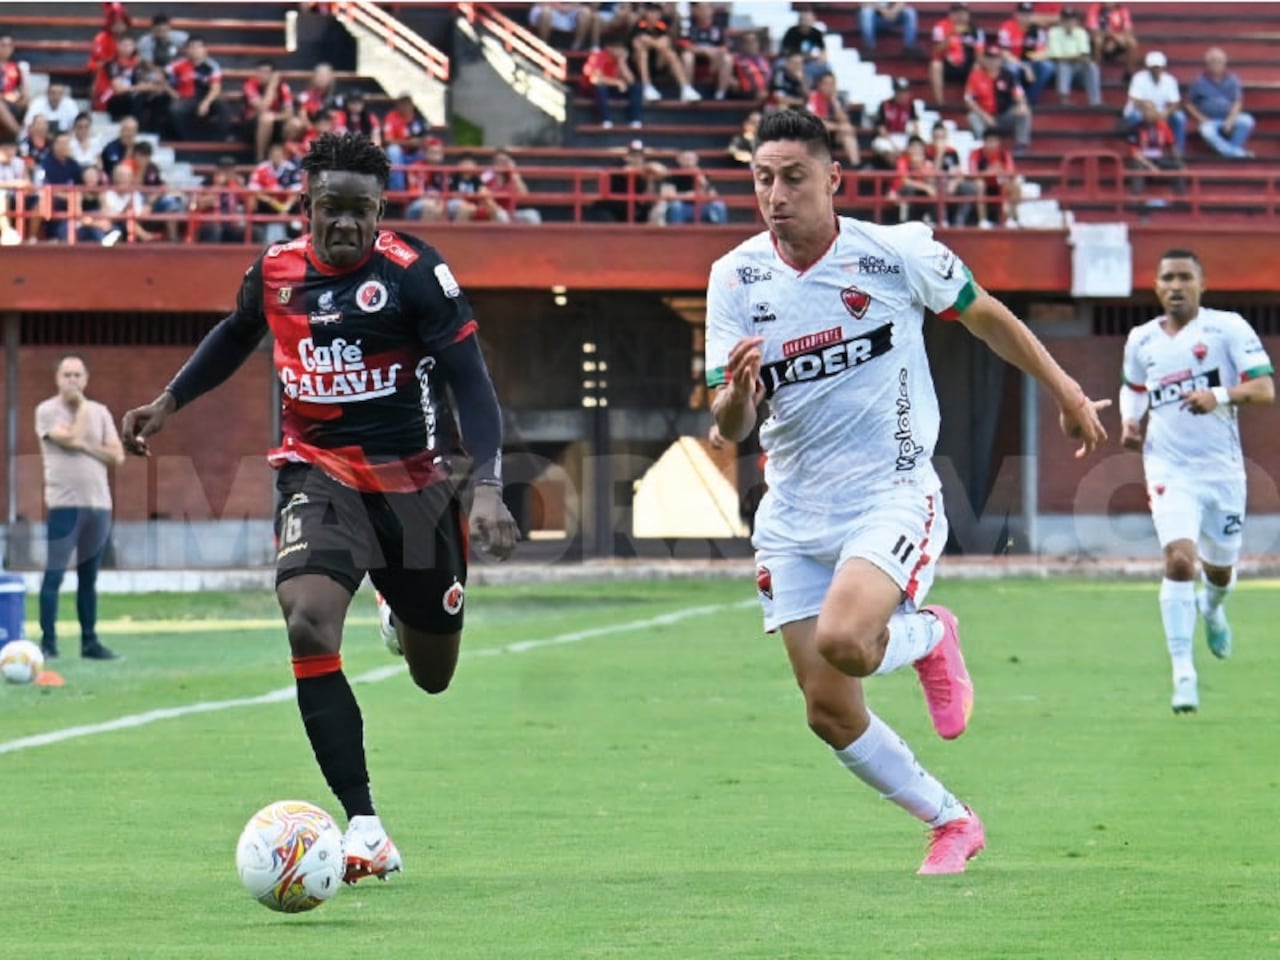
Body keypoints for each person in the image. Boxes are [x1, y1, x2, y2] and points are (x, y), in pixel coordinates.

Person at [703, 109, 1109, 875]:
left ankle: (930, 634)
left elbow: (985, 315)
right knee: (828, 709)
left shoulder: (896, 252)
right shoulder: (735, 277)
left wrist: (1065, 391)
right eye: (763, 179)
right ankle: (952, 822)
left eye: (794, 177)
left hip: (889, 491)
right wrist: (735, 396)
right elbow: (731, 420)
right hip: (791, 510)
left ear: (833, 179)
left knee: (848, 642)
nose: (776, 194)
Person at [120, 132, 519, 884]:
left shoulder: (417, 276)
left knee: (435, 675)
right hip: (318, 476)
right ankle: (363, 823)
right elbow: (236, 333)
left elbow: (472, 381)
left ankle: (403, 618)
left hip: (417, 488)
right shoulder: (275, 273)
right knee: (305, 617)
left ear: (381, 211)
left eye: (360, 211)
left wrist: (490, 485)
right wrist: (168, 401)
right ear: (306, 205)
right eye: (330, 209)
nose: (345, 225)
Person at [1119, 250, 1274, 714]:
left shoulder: (1227, 328)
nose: (1176, 285)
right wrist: (1130, 421)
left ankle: (1212, 608)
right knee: (1180, 559)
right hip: (1167, 468)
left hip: (1222, 472)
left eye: (1185, 277)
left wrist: (1220, 395)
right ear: (1156, 286)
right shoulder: (1141, 339)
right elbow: (1134, 386)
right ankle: (1183, 673)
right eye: (1168, 278)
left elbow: (1265, 389)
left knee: (1220, 570)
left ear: (1201, 286)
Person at [35, 355, 124, 661]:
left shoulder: (102, 412)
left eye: (77, 375)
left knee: (89, 578)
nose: (72, 380)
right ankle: (48, 642)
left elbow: (118, 456)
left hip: (99, 505)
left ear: (86, 379)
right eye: (67, 375)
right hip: (64, 505)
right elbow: (69, 437)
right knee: (55, 575)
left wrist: (87, 446)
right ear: (58, 379)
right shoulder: (47, 411)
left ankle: (90, 642)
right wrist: (82, 408)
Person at [1184, 47, 1256, 160]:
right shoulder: (1199, 81)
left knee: (1247, 120)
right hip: (1209, 120)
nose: (1216, 64)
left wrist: (1231, 120)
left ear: (1225, 63)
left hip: (1228, 118)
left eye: (1219, 61)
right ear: (1206, 64)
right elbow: (1188, 104)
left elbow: (1237, 102)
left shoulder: (1232, 80)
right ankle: (1235, 154)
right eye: (1212, 61)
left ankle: (1230, 151)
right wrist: (1202, 119)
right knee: (1206, 130)